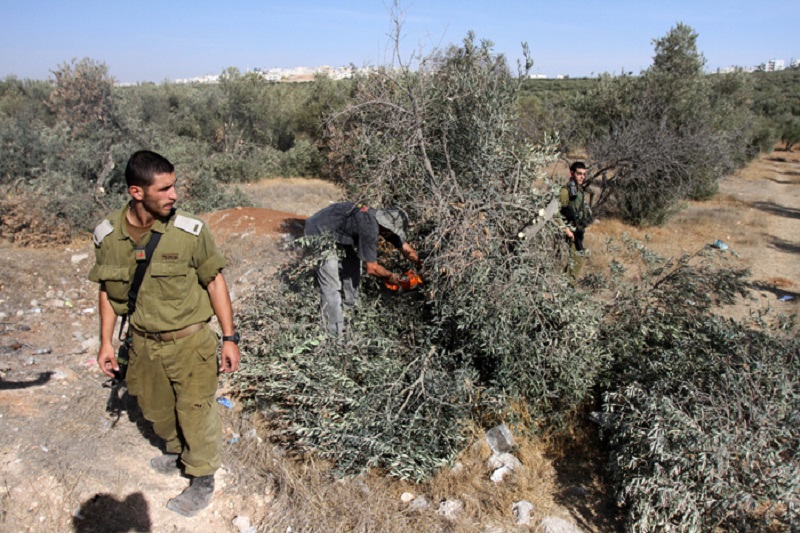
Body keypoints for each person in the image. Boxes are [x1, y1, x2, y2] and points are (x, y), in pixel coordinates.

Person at [88, 150, 240, 517]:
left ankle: (202, 477)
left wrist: (229, 337)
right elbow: (108, 291)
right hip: (143, 344)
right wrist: (106, 342)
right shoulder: (108, 236)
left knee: (196, 410)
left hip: (190, 342)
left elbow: (214, 281)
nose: (175, 195)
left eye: (174, 186)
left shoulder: (190, 231)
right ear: (136, 192)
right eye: (165, 189)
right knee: (155, 407)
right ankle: (178, 452)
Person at [303, 202, 421, 336]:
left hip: (338, 232)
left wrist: (421, 265)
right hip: (318, 231)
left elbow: (405, 248)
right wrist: (390, 277)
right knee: (331, 284)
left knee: (353, 266)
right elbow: (372, 268)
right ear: (386, 227)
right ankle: (333, 334)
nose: (390, 234)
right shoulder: (369, 228)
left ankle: (349, 311)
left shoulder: (382, 223)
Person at [559, 161, 592, 285]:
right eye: (579, 174)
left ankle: (566, 286)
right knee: (575, 261)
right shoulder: (565, 191)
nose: (582, 177)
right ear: (571, 173)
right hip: (569, 231)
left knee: (576, 261)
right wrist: (566, 229)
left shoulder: (579, 190)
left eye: (584, 174)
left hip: (577, 230)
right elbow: (556, 212)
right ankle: (567, 287)